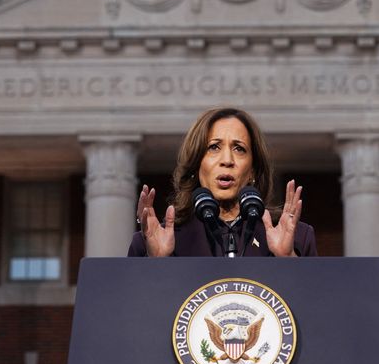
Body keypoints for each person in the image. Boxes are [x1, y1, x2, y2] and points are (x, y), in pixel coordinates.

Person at [128, 107, 317, 257]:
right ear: (196, 164)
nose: (227, 160)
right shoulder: (155, 242)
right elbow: (131, 303)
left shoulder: (297, 238)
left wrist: (288, 259)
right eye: (214, 147)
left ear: (252, 169)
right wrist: (156, 264)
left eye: (239, 149)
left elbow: (317, 302)